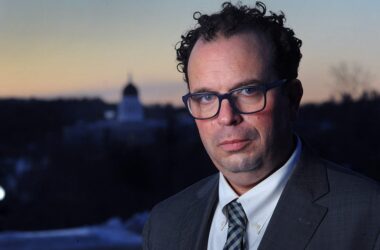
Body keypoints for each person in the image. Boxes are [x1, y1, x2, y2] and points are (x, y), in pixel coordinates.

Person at [143, 2, 380, 249]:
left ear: (292, 98)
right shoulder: (164, 224)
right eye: (206, 97)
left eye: (247, 91)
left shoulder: (370, 219)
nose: (226, 117)